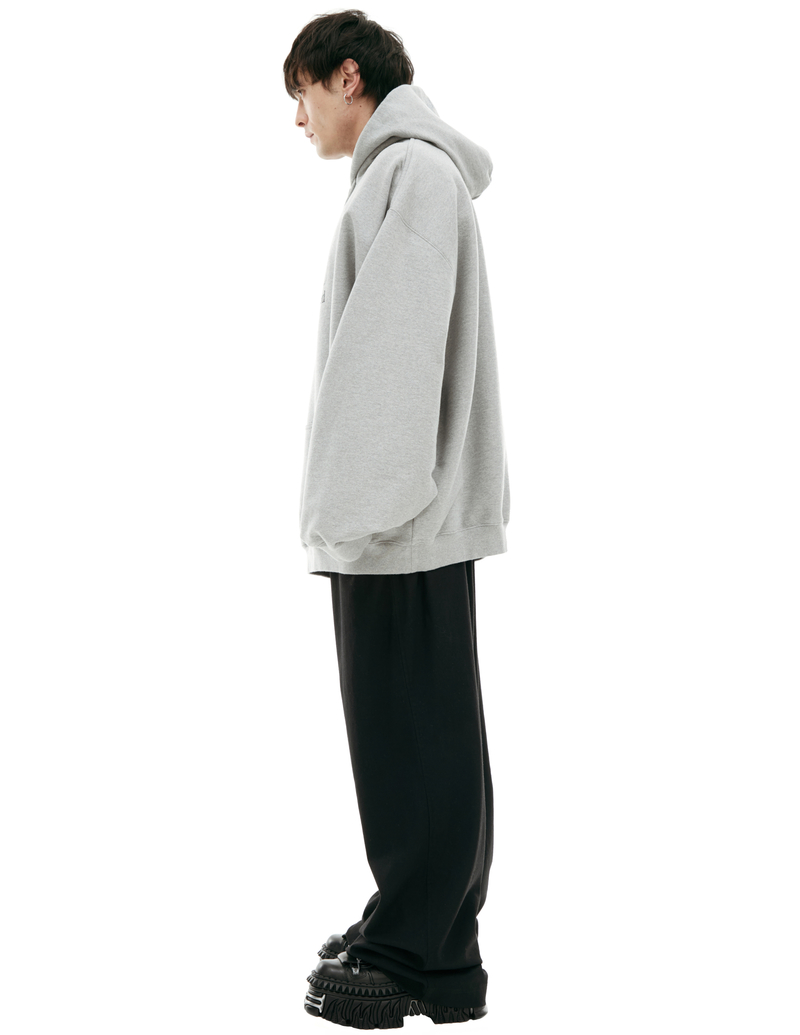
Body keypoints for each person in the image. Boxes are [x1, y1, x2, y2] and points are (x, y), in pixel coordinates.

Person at [284, 10, 510, 1029]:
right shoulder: (407, 171)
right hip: (406, 507)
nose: (298, 120)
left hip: (394, 512)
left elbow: (392, 355)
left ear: (347, 77)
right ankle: (429, 934)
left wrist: (359, 510)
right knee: (426, 724)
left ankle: (416, 953)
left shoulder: (409, 171)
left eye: (301, 95)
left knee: (408, 731)